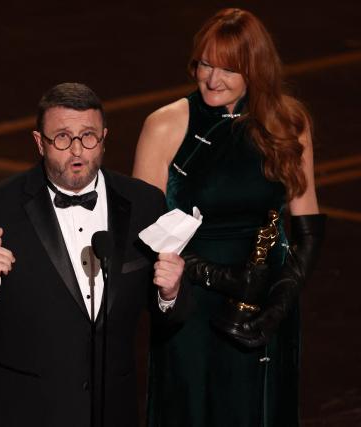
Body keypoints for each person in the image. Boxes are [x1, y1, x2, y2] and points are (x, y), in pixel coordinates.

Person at [0, 82, 190, 427]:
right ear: (39, 142)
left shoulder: (145, 204)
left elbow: (170, 322)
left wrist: (170, 294)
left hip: (111, 410)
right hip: (25, 413)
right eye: (61, 137)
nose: (76, 150)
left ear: (104, 137)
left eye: (88, 136)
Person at [132, 8, 326, 427]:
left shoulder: (290, 123)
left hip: (263, 305)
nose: (212, 79)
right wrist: (223, 279)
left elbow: (308, 229)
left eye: (228, 69)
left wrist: (277, 306)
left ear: (255, 70)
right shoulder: (164, 126)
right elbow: (143, 234)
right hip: (191, 302)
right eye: (205, 64)